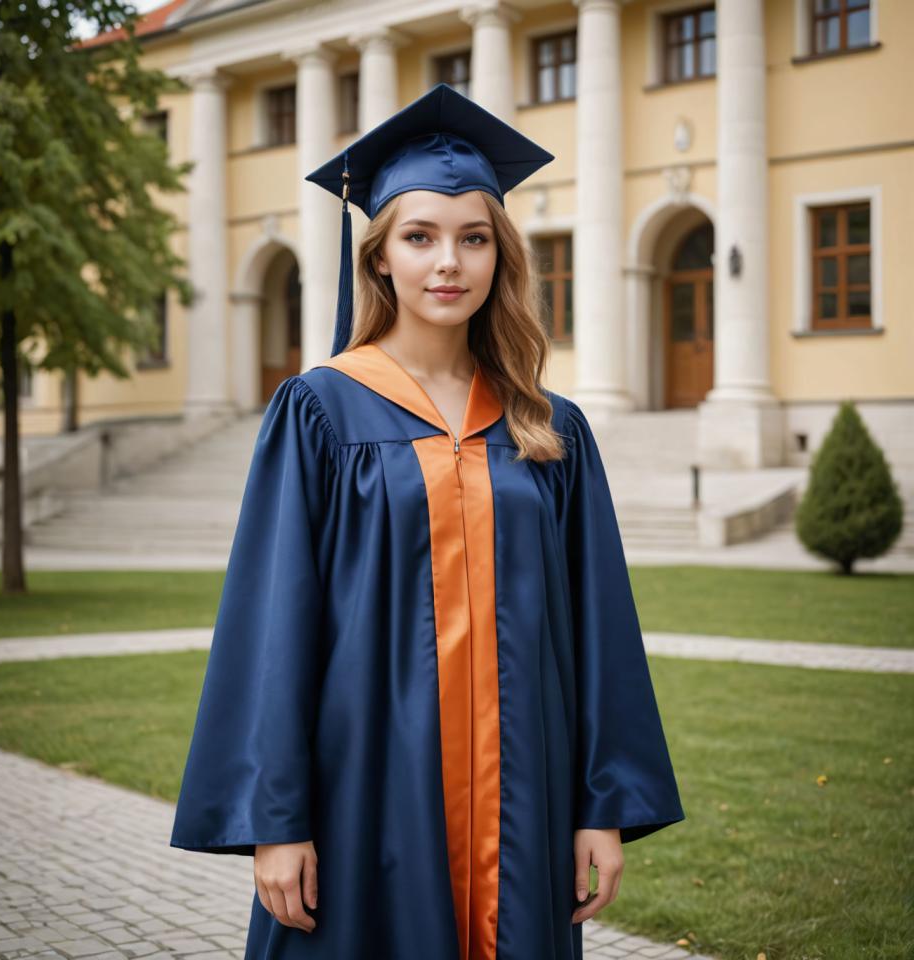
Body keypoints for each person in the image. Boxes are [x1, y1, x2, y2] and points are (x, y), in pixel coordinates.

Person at [170, 82, 685, 960]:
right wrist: (276, 822)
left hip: (527, 804)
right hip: (366, 793)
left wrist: (602, 807)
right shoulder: (321, 414)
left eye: (473, 238)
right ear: (379, 259)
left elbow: (601, 632)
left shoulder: (548, 428)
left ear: (499, 256)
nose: (449, 262)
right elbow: (273, 626)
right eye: (420, 236)